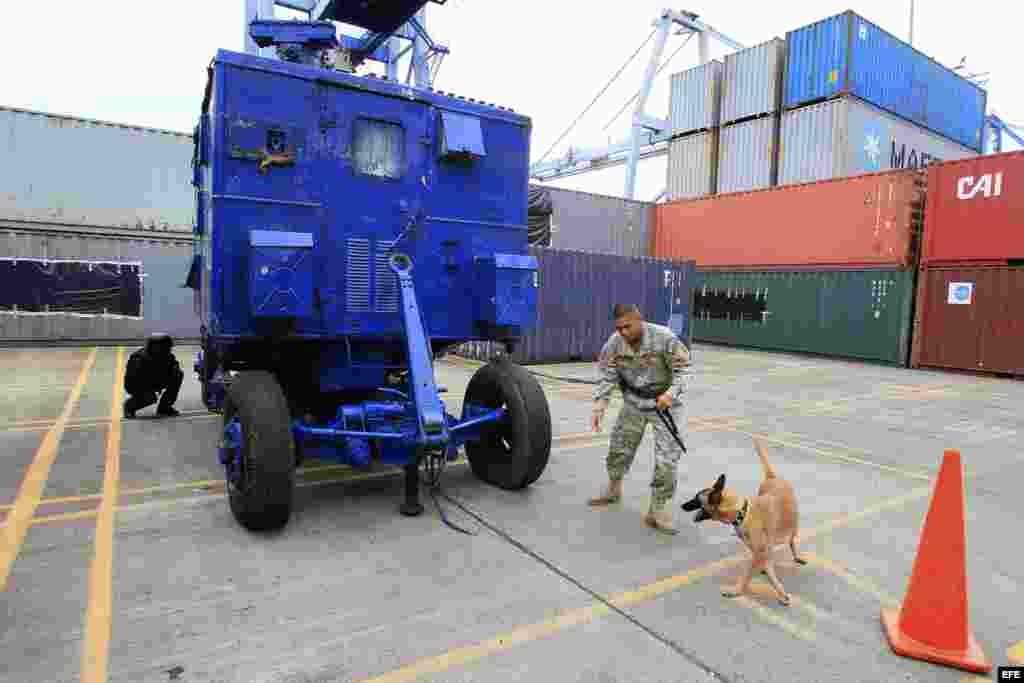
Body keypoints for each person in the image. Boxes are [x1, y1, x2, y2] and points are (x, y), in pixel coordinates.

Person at [588, 304, 693, 535]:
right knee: (619, 448)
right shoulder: (614, 343)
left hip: (665, 405)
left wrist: (670, 394)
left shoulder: (664, 338)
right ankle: (613, 489)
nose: (623, 332)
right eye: (619, 327)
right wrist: (600, 404)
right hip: (634, 402)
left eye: (628, 326)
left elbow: (684, 369)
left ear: (639, 321)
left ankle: (657, 509)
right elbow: (608, 373)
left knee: (667, 459)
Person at [123, 333, 184, 419]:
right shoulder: (139, 358)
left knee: (178, 374)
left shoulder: (167, 356)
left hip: (155, 380)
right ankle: (129, 407)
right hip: (136, 385)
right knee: (150, 397)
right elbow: (133, 379)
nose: (169, 349)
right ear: (156, 347)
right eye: (166, 346)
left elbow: (174, 365)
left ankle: (164, 407)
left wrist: (174, 370)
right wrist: (150, 389)